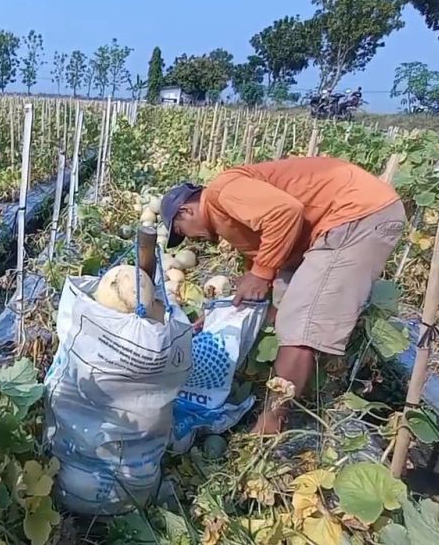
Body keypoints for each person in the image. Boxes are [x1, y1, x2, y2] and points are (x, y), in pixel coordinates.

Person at [160, 157, 405, 434]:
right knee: (282, 306)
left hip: (356, 215)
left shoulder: (222, 192)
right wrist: (217, 315)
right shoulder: (227, 217)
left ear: (185, 211)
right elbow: (261, 262)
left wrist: (262, 275)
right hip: (340, 221)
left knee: (300, 323)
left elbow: (286, 212)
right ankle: (297, 390)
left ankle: (272, 424)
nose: (191, 240)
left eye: (183, 232)